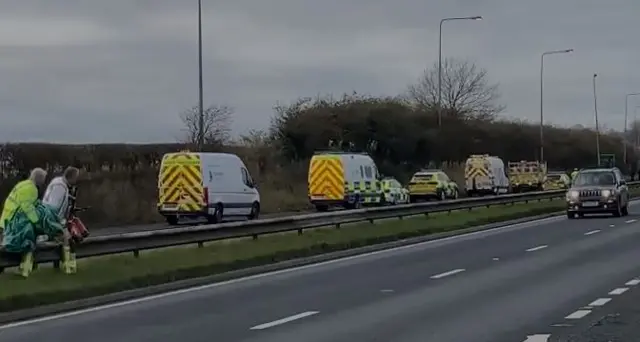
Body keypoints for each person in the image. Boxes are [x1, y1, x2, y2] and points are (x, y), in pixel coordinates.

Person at [1, 168, 68, 277]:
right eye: (43, 179)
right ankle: (25, 268)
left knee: (12, 243)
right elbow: (27, 207)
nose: (44, 182)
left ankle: (25, 267)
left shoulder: (23, 184)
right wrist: (36, 221)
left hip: (8, 217)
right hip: (14, 220)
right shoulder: (31, 188)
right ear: (39, 179)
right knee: (26, 241)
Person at [42, 166, 82, 274]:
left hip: (53, 220)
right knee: (68, 238)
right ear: (71, 177)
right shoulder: (60, 187)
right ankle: (68, 267)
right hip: (50, 222)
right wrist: (59, 224)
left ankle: (68, 265)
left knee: (73, 235)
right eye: (76, 177)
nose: (77, 180)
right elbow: (52, 208)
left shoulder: (61, 184)